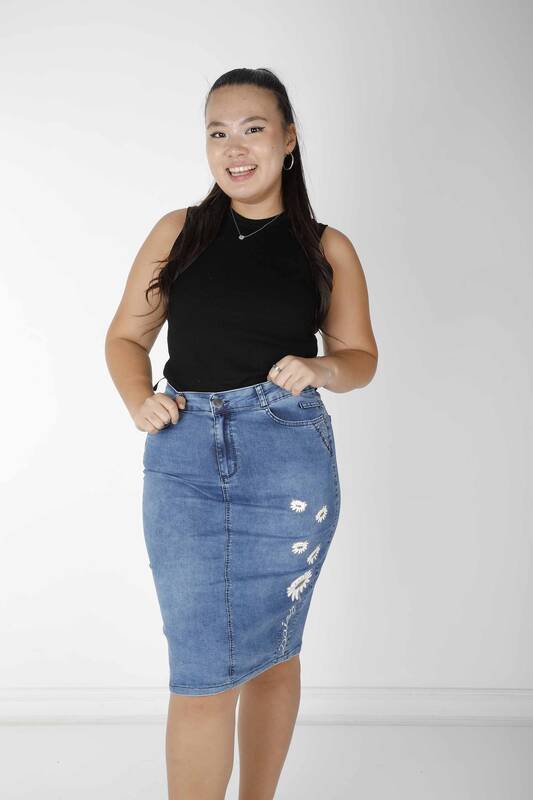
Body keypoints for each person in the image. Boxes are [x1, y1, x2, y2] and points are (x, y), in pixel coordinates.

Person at [105, 67, 378, 800]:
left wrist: (321, 368)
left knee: (273, 652)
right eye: (217, 133)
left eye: (252, 129)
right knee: (200, 670)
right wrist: (138, 400)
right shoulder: (179, 232)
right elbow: (126, 338)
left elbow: (360, 358)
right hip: (183, 459)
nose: (234, 148)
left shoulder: (326, 247)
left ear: (288, 139)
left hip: (286, 458)